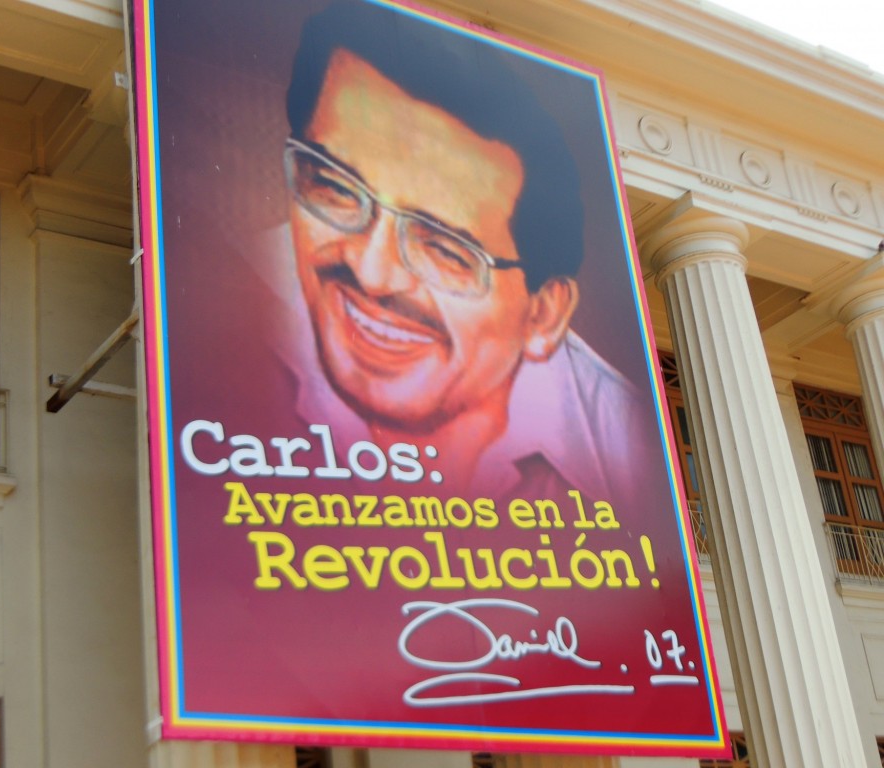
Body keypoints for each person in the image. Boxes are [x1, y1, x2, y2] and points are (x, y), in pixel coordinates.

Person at [246, 0, 657, 503]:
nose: (372, 274)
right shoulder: (214, 311)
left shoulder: (626, 447)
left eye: (446, 248)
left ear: (544, 314)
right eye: (335, 188)